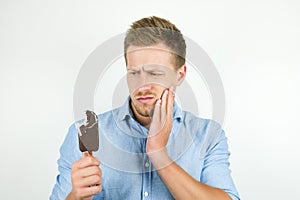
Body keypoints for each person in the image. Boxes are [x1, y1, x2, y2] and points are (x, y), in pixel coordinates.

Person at [50, 16, 240, 200]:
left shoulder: (208, 135)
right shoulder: (83, 134)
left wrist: (159, 155)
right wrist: (76, 197)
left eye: (155, 73)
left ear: (180, 75)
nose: (142, 85)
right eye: (134, 73)